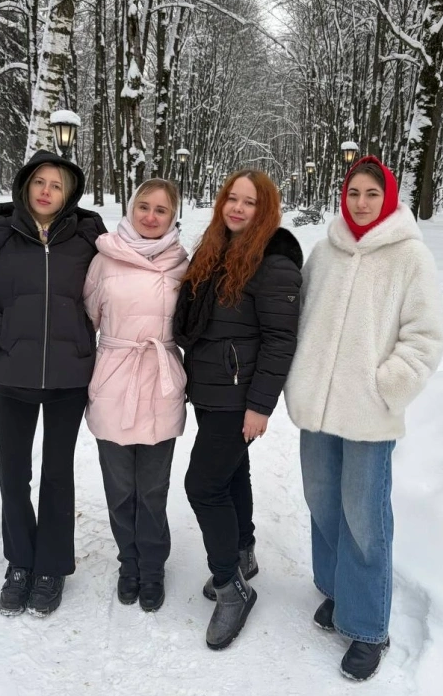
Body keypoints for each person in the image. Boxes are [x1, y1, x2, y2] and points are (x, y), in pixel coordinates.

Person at [285, 155, 443, 681]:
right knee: (321, 500)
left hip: (369, 413)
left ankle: (369, 625)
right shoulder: (324, 251)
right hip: (318, 409)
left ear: (389, 197)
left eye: (372, 194)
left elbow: (425, 338)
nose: (361, 202)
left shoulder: (409, 256)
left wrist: (386, 386)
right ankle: (340, 592)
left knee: (364, 516)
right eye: (353, 193)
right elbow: (302, 317)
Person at [0, 150, 106, 618]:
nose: (46, 191)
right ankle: (19, 562)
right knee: (14, 474)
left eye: (57, 185)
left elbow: (117, 288)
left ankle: (51, 566)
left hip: (69, 376)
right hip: (13, 375)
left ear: (69, 193)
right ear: (25, 184)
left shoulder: (89, 237)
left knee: (57, 474)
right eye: (40, 181)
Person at [173, 169, 303, 649]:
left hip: (237, 397)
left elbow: (280, 340)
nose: (238, 208)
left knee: (202, 486)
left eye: (250, 202)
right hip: (210, 389)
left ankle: (231, 586)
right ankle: (243, 550)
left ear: (265, 210)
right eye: (232, 198)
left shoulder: (273, 261)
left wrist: (259, 407)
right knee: (230, 476)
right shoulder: (215, 247)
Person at [83, 178, 188, 612]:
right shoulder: (104, 259)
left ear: (173, 216)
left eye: (161, 210)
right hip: (114, 380)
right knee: (121, 488)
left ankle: (153, 566)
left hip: (161, 383)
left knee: (153, 490)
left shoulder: (183, 263)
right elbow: (87, 320)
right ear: (130, 208)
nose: (150, 216)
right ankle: (129, 562)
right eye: (144, 206)